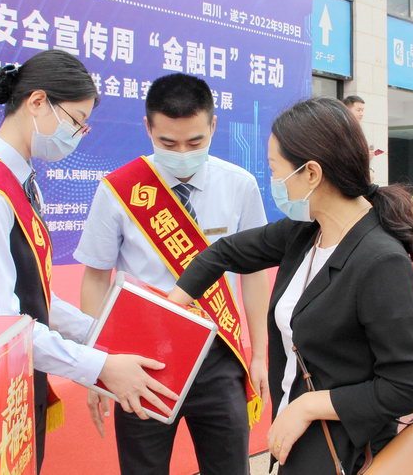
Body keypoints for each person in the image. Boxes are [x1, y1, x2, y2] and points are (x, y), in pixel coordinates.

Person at [167, 97, 413, 474]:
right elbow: (223, 252)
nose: (274, 181)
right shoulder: (307, 231)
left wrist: (308, 406)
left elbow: (408, 386)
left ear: (311, 173)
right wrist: (173, 307)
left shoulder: (380, 262)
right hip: (299, 443)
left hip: (345, 452)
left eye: (275, 169)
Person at [0, 50, 177, 473]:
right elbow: (3, 329)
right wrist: (101, 366)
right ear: (37, 102)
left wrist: (100, 335)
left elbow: (34, 295)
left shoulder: (17, 182)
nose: (78, 135)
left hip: (14, 381)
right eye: (75, 121)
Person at [74, 73, 271, 475]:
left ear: (213, 125)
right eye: (168, 143)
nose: (182, 153)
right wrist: (96, 363)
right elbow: (95, 277)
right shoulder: (119, 189)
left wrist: (260, 355)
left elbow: (252, 276)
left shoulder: (240, 186)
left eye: (195, 142)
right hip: (141, 362)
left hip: (220, 354)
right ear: (148, 128)